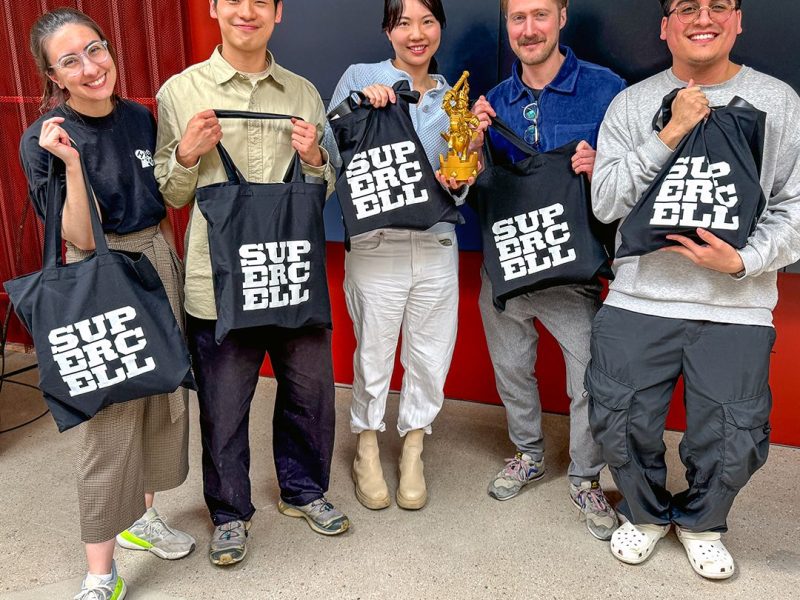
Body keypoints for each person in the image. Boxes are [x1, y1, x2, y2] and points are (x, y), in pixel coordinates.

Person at [589, 0, 800, 579]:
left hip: (737, 303)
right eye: (687, 7)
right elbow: (605, 201)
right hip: (639, 298)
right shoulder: (632, 103)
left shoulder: (778, 101)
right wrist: (672, 130)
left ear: (738, 20)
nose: (703, 18)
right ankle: (645, 515)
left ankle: (703, 523)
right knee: (619, 421)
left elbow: (794, 205)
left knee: (733, 435)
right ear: (666, 26)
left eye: (718, 6)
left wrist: (743, 260)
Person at [154, 0, 347, 567]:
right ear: (214, 8)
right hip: (216, 283)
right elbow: (171, 194)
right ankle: (229, 513)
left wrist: (316, 159)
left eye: (261, 1)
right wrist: (187, 153)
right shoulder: (180, 92)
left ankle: (304, 491)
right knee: (223, 406)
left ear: (278, 12)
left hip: (291, 274)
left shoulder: (304, 93)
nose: (247, 11)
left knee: (311, 395)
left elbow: (323, 190)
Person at [19, 8, 195, 600]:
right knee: (109, 421)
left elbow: (163, 198)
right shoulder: (44, 138)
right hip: (99, 271)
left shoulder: (141, 118)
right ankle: (101, 573)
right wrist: (71, 164)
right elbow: (81, 236)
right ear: (53, 76)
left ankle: (141, 518)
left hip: (157, 261)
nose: (91, 67)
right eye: (70, 61)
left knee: (162, 401)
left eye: (95, 49)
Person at [470, 0, 625, 541]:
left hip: (571, 267)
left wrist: (602, 165)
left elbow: (638, 172)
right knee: (511, 367)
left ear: (562, 16)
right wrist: (473, 144)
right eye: (518, 18)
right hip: (507, 264)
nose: (529, 29)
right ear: (507, 25)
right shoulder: (491, 102)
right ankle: (529, 453)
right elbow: (472, 185)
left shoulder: (607, 89)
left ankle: (586, 476)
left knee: (589, 379)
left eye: (540, 14)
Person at [326, 0, 474, 511]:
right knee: (373, 353)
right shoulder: (360, 76)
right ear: (388, 30)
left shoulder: (454, 97)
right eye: (404, 22)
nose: (417, 33)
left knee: (431, 356)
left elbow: (458, 187)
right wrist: (358, 106)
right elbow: (329, 152)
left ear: (440, 28)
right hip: (377, 242)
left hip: (436, 242)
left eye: (427, 21)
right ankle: (366, 446)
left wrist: (462, 176)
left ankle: (413, 448)